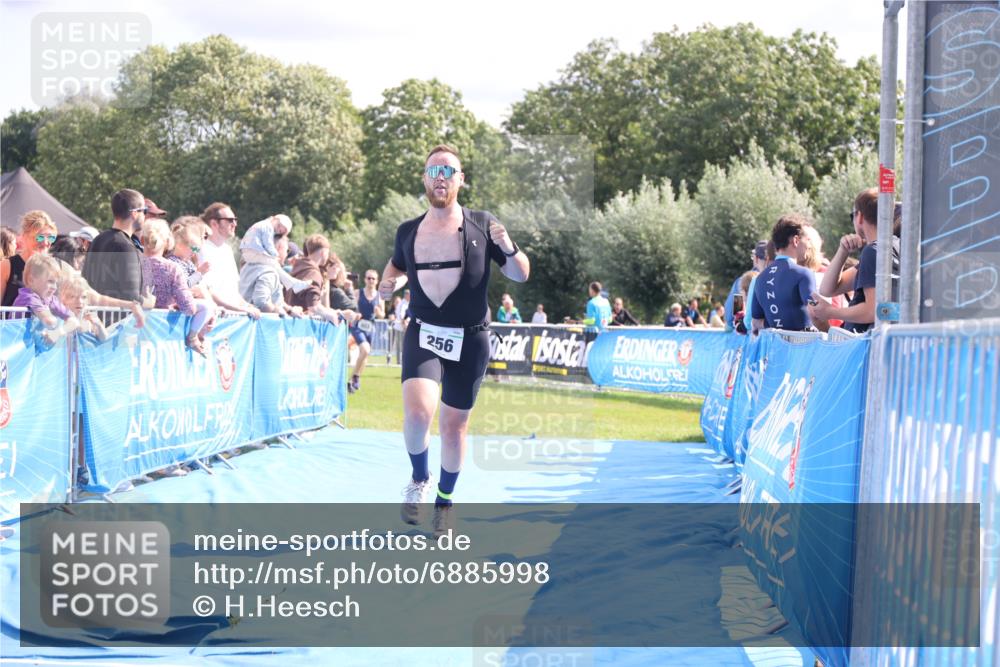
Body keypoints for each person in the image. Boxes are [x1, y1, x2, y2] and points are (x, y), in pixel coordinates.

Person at [378, 144, 529, 533]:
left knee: (453, 426)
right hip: (424, 332)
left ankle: (445, 501)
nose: (440, 177)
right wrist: (387, 283)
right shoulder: (408, 231)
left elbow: (520, 274)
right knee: (416, 414)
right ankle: (419, 479)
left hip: (471, 337)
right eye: (433, 171)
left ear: (461, 179)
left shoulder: (482, 223)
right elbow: (394, 266)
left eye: (448, 170)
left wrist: (509, 246)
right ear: (425, 180)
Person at [809, 188, 899, 334]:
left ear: (860, 217)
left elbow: (872, 310)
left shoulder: (874, 252)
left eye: (853, 215)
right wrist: (843, 251)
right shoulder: (892, 247)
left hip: (870, 347)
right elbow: (828, 289)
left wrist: (831, 312)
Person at [141, 218, 213, 356]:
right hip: (160, 329)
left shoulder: (130, 264)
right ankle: (192, 337)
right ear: (168, 242)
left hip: (132, 327)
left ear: (143, 241)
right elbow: (189, 308)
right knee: (205, 307)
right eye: (193, 249)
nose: (195, 252)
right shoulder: (172, 268)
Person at [82, 189, 152, 305]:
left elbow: (84, 282)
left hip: (96, 317)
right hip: (117, 320)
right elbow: (132, 298)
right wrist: (150, 302)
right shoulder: (126, 246)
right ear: (134, 214)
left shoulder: (98, 239)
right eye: (144, 211)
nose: (145, 216)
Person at [751, 214, 817, 333]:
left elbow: (755, 322)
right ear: (796, 240)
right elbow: (816, 312)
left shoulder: (760, 278)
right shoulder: (803, 274)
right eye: (807, 240)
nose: (809, 246)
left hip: (776, 349)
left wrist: (776, 324)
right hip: (802, 348)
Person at [199, 202, 261, 319]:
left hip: (233, 318)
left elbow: (232, 292)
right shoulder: (201, 249)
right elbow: (208, 292)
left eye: (235, 220)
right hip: (214, 320)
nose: (235, 224)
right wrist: (241, 309)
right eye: (230, 220)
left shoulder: (227, 250)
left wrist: (248, 306)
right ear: (214, 223)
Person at [12, 253, 79, 345]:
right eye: (50, 281)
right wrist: (56, 317)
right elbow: (50, 322)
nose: (54, 287)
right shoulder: (28, 297)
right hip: (14, 347)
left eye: (56, 283)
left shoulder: (50, 298)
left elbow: (74, 320)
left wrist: (59, 332)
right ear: (31, 280)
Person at [239, 214, 312, 294]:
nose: (280, 231)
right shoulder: (268, 226)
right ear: (277, 220)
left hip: (248, 251)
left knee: (274, 264)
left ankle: (293, 284)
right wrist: (275, 255)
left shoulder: (262, 224)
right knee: (274, 264)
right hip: (252, 251)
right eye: (281, 229)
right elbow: (268, 244)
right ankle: (294, 284)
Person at [239, 232, 304, 318]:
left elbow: (276, 301)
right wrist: (281, 313)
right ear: (279, 248)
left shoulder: (249, 265)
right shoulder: (268, 271)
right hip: (261, 327)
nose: (286, 255)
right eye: (287, 250)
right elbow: (261, 302)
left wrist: (289, 310)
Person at [284, 233, 345, 324]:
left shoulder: (298, 268)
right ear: (323, 252)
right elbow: (313, 306)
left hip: (290, 323)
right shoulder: (313, 273)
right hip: (300, 327)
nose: (327, 256)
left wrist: (331, 311)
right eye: (327, 253)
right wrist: (331, 316)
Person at [2, 210, 58, 307]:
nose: (45, 243)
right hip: (12, 322)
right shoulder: (7, 266)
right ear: (24, 236)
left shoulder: (54, 267)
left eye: (50, 238)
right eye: (40, 237)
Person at [348, 269, 385, 393]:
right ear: (365, 279)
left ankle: (354, 379)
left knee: (365, 355)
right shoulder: (358, 293)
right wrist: (355, 312)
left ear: (377, 281)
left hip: (370, 328)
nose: (370, 281)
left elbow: (382, 315)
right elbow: (349, 306)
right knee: (365, 350)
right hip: (358, 326)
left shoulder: (380, 297)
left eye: (373, 278)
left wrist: (379, 312)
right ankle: (354, 377)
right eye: (368, 278)